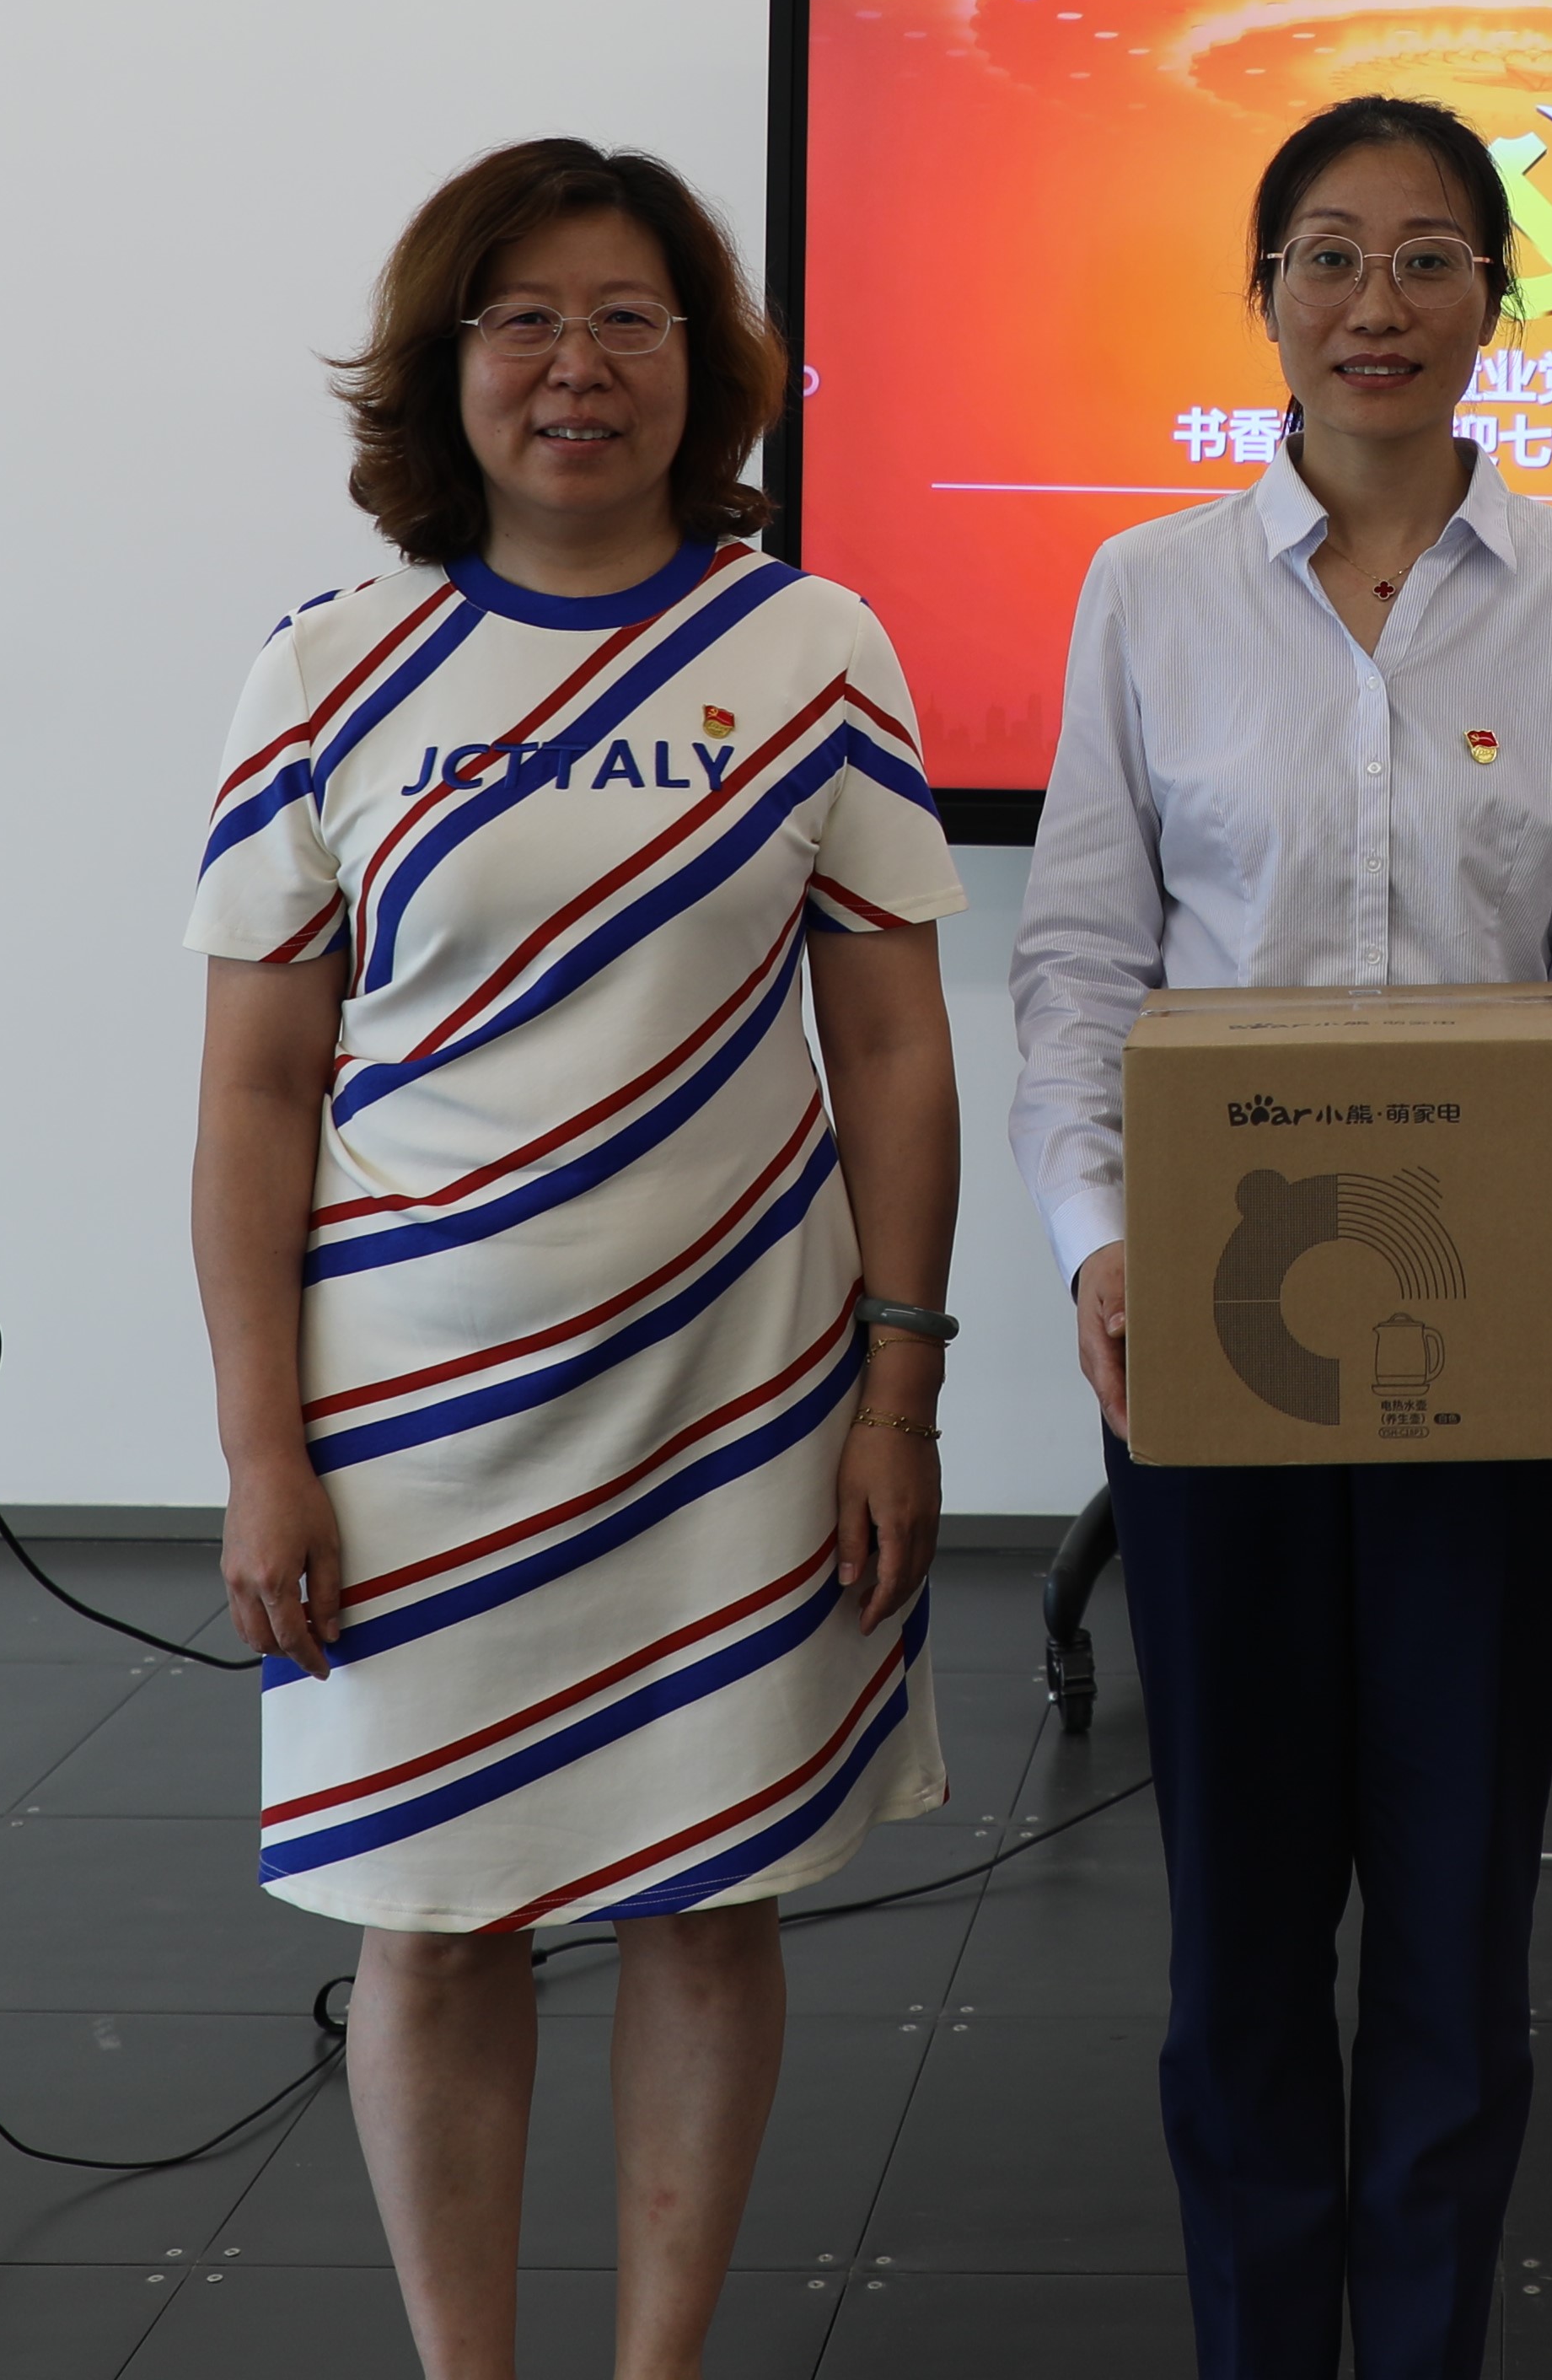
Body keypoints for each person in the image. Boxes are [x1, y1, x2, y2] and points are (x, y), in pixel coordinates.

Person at [185, 137, 970, 2380]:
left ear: (702, 363)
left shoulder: (812, 648)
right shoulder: (327, 670)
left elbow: (893, 1048)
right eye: (523, 317)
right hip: (410, 1420)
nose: (578, 365)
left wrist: (899, 1395)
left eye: (629, 317)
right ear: (444, 366)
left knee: (710, 1903)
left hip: (741, 1402)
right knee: (430, 1919)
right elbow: (253, 1097)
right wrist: (263, 1452)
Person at [1006, 92, 1552, 2380]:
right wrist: (1096, 1238)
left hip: (1495, 1335)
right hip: (1212, 1330)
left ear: (1504, 296)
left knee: (1456, 1920)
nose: (1375, 301)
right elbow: (1079, 962)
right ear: (1265, 295)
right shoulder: (1150, 589)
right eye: (1327, 252)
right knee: (1236, 1928)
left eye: (1427, 256)